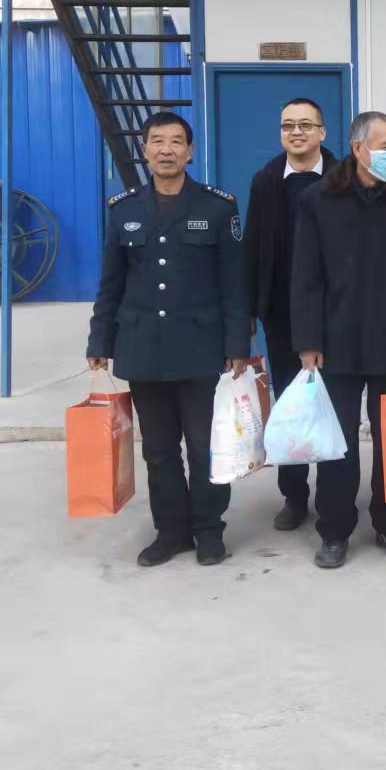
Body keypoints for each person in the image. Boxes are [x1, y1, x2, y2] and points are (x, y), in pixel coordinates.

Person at [86, 111, 249, 568]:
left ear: (190, 151)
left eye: (176, 142)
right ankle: (171, 532)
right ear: (145, 150)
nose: (166, 150)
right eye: (157, 141)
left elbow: (235, 284)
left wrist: (237, 344)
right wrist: (100, 340)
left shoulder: (218, 207)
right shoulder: (124, 209)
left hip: (201, 349)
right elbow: (111, 283)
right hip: (143, 349)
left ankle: (209, 530)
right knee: (159, 451)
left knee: (204, 448)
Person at [289, 111, 386, 569]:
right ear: (358, 149)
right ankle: (334, 530)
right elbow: (305, 276)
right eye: (384, 146)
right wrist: (308, 340)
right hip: (334, 343)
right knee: (336, 444)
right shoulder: (319, 199)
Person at [241, 98, 338, 533]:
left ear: (322, 132)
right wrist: (250, 308)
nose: (296, 132)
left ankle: (334, 497)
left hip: (334, 313)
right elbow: (252, 245)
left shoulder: (343, 177)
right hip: (281, 314)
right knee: (290, 405)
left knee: (333, 405)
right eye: (287, 126)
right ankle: (294, 495)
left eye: (305, 125)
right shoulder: (266, 180)